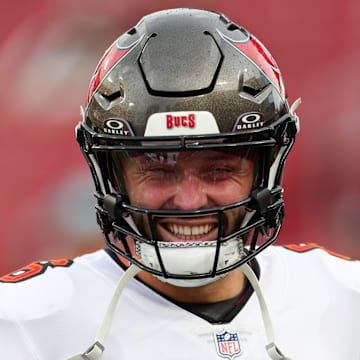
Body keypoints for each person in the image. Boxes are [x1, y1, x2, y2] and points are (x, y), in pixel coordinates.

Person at [0, 8, 359, 360]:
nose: (189, 201)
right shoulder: (27, 321)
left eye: (219, 170)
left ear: (263, 170)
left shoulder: (344, 301)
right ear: (115, 176)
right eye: (158, 170)